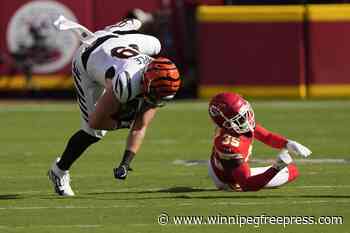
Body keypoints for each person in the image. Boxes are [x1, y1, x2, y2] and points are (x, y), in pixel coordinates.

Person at [48, 17, 181, 196]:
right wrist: (124, 123)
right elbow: (97, 121)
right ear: (147, 83)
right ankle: (59, 171)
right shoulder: (126, 84)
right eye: (156, 94)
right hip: (87, 60)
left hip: (114, 41)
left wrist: (125, 163)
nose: (157, 100)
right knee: (92, 132)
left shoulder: (153, 64)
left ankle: (129, 24)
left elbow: (140, 127)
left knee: (153, 42)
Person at [208, 92, 311, 192]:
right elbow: (247, 184)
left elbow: (267, 137)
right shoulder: (227, 144)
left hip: (218, 166)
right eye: (240, 118)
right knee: (292, 171)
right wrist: (276, 167)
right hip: (227, 178)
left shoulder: (237, 127)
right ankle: (230, 185)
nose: (247, 118)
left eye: (246, 113)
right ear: (226, 124)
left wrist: (288, 143)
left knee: (290, 170)